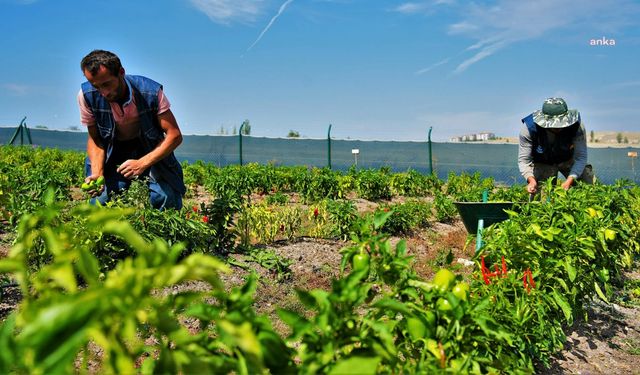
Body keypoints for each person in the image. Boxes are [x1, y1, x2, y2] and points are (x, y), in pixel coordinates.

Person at [78, 50, 186, 209]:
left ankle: (166, 234)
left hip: (149, 148)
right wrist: (97, 172)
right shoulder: (86, 95)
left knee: (166, 197)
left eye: (107, 84)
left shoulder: (150, 92)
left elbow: (174, 135)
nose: (103, 92)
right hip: (113, 151)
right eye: (96, 86)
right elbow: (96, 139)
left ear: (121, 72)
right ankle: (110, 234)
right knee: (101, 204)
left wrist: (142, 163)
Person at [518, 97, 594, 194]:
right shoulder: (528, 129)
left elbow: (581, 157)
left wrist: (570, 180)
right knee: (541, 197)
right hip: (543, 163)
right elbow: (524, 161)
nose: (558, 127)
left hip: (568, 160)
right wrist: (531, 180)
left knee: (588, 187)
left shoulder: (577, 126)